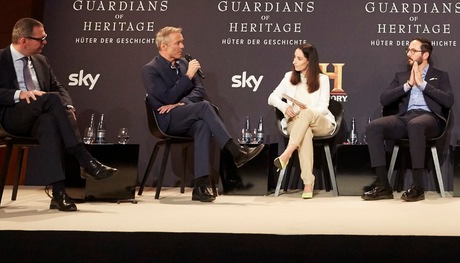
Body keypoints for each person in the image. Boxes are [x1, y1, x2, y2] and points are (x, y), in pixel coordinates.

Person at [0, 17, 117, 212]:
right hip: (10, 117)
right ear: (23, 40)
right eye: (40, 39)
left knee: (49, 121)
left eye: (45, 37)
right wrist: (19, 94)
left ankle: (59, 193)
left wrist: (67, 106)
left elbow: (57, 87)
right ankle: (84, 158)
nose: (45, 42)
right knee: (51, 99)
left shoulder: (41, 61)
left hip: (39, 118)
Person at [141, 26, 264, 202]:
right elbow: (166, 97)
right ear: (163, 46)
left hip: (185, 114)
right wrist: (188, 76)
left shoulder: (184, 63)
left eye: (182, 41)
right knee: (205, 107)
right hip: (166, 120)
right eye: (178, 42)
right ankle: (234, 151)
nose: (182, 46)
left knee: (203, 125)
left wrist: (182, 103)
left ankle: (200, 186)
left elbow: (199, 90)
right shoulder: (150, 70)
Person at [362, 38, 454, 202]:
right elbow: (384, 99)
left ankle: (417, 187)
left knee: (416, 124)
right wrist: (409, 84)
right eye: (408, 50)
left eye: (413, 50)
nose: (408, 54)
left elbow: (448, 100)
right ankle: (383, 186)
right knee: (373, 127)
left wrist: (423, 84)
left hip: (430, 119)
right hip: (405, 117)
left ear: (425, 54)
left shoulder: (439, 76)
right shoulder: (401, 76)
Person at [267, 43, 336, 199]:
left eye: (299, 58)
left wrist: (306, 112)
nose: (294, 61)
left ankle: (287, 154)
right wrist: (284, 107)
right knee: (305, 133)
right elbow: (272, 98)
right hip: (296, 124)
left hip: (320, 122)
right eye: (294, 57)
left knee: (305, 115)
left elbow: (323, 107)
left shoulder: (322, 79)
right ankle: (308, 183)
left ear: (309, 61)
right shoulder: (288, 77)